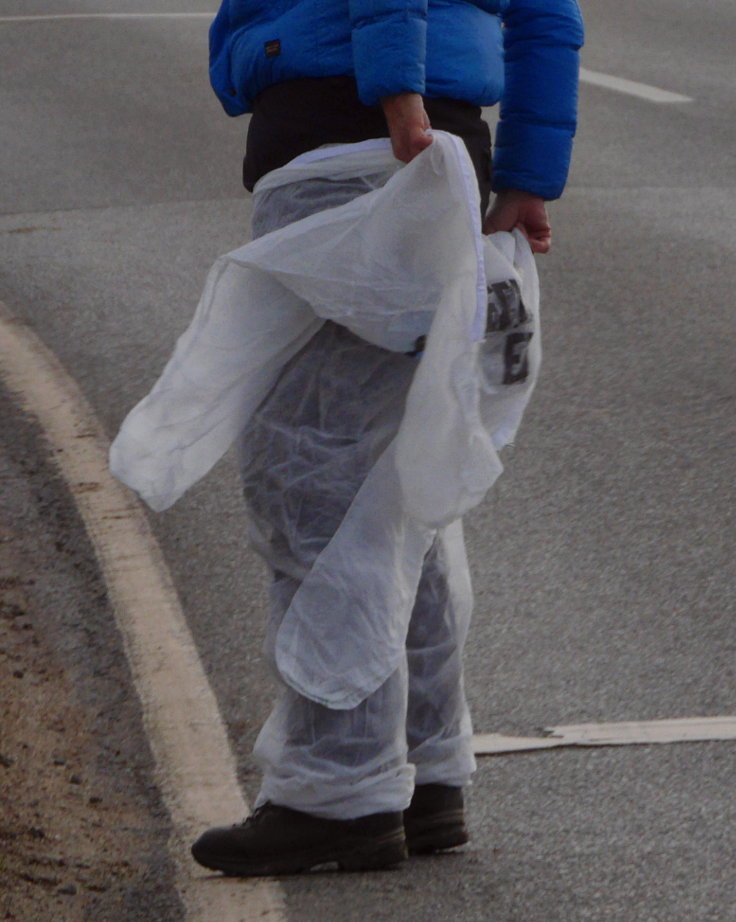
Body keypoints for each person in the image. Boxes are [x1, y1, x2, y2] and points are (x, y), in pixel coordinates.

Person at [191, 0, 584, 877]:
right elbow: (547, 14)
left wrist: (395, 88)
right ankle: (423, 767)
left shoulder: (377, 94)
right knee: (395, 481)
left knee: (317, 482)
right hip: (431, 145)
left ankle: (337, 791)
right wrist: (526, 173)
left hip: (356, 139)